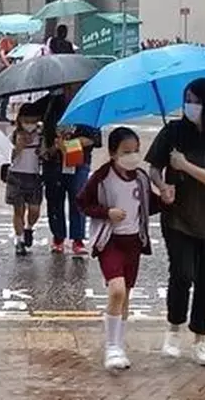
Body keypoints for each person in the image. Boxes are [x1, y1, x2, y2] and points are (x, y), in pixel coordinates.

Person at [144, 77, 205, 367]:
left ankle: (200, 338)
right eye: (187, 100)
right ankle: (173, 329)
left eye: (196, 101)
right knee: (182, 274)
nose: (190, 106)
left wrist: (185, 166)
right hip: (178, 218)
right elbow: (153, 167)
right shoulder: (172, 132)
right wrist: (161, 186)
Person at [78, 127, 173, 371]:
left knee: (126, 294)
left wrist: (165, 198)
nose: (132, 156)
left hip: (133, 242)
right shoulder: (102, 177)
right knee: (117, 290)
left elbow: (148, 205)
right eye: (126, 152)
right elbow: (83, 203)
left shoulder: (140, 177)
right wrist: (106, 213)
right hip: (110, 241)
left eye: (136, 151)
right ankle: (111, 347)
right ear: (112, 153)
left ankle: (119, 344)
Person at [38, 85, 100, 256]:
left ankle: (78, 239)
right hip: (54, 162)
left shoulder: (88, 104)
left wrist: (70, 145)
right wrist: (50, 146)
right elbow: (43, 127)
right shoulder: (51, 102)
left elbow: (93, 138)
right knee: (54, 198)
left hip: (78, 162)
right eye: (68, 86)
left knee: (78, 199)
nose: (70, 89)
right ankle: (58, 237)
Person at [5, 104, 44, 256]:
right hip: (16, 175)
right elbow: (7, 158)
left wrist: (44, 150)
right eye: (26, 121)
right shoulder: (13, 136)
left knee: (34, 210)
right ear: (20, 120)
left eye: (33, 121)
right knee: (18, 210)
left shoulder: (41, 137)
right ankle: (19, 240)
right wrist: (18, 147)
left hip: (34, 176)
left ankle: (29, 228)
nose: (29, 124)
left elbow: (45, 155)